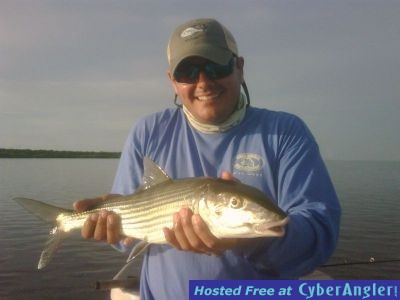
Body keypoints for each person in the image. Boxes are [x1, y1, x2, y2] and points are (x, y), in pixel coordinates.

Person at [74, 18, 341, 300]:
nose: (203, 82)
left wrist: (247, 241)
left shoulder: (284, 132)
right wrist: (113, 231)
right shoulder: (148, 132)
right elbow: (128, 241)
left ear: (239, 68)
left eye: (216, 66)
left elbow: (319, 235)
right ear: (173, 82)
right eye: (188, 72)